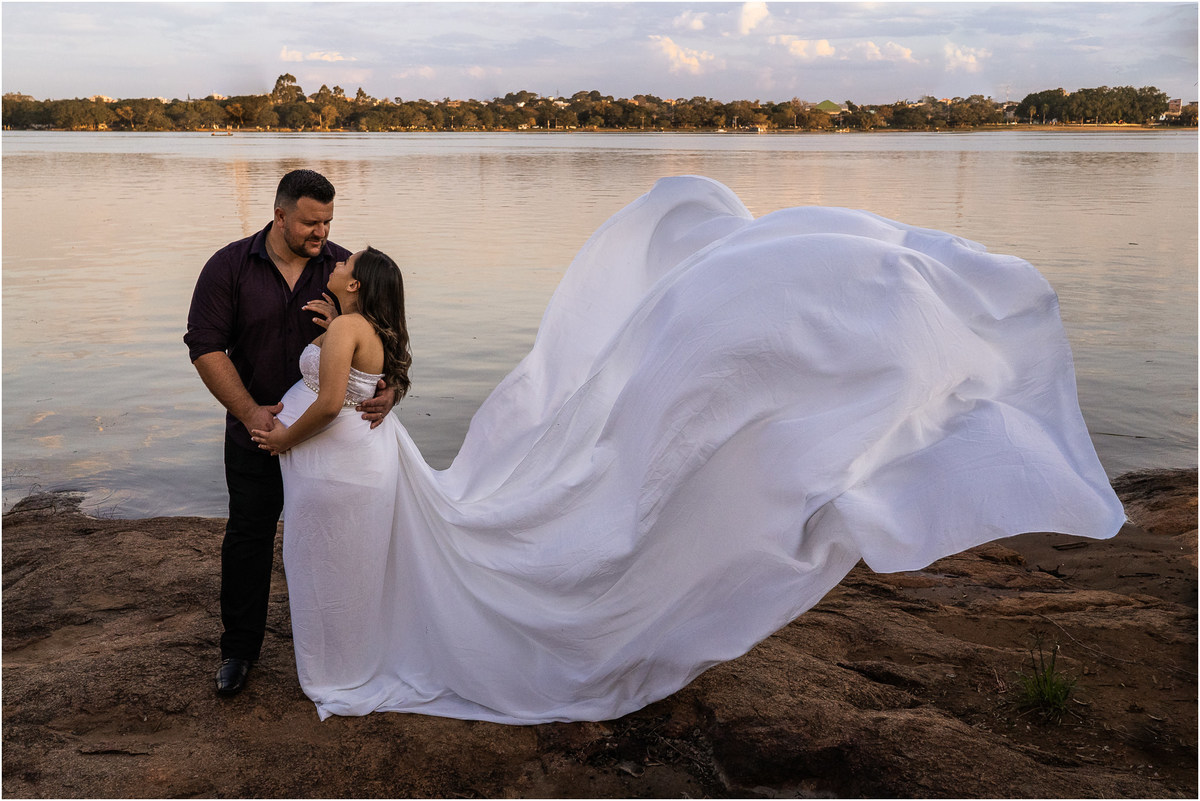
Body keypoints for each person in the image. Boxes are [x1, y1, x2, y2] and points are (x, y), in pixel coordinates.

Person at [254, 176, 1125, 725]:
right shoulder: (359, 322)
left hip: (341, 460)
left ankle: (346, 667)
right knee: (351, 562)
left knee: (339, 564)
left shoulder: (345, 326)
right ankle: (352, 661)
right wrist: (350, 362)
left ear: (357, 282)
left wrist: (274, 435)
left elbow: (335, 396)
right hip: (364, 459)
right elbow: (365, 376)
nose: (336, 251)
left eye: (345, 252)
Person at [184, 169, 397, 698]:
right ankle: (238, 651)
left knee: (335, 545)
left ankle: (349, 650)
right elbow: (206, 345)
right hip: (257, 433)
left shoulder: (344, 270)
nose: (321, 232)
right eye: (309, 221)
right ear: (279, 215)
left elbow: (385, 336)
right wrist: (249, 411)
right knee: (249, 538)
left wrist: (390, 388)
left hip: (328, 447)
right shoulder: (229, 266)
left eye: (327, 220)